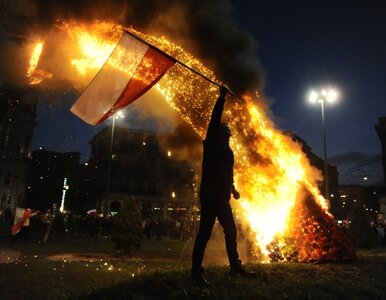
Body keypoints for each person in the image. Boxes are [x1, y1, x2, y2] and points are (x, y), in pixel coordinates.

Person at [191, 86, 254, 288]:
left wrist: (233, 188)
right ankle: (196, 272)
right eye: (225, 134)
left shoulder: (228, 152)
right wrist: (221, 98)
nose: (227, 137)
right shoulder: (211, 144)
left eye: (229, 135)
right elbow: (214, 120)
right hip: (210, 196)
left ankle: (235, 266)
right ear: (218, 134)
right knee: (204, 234)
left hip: (223, 197)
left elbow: (228, 173)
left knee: (231, 231)